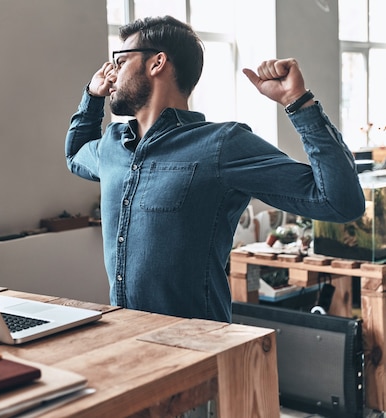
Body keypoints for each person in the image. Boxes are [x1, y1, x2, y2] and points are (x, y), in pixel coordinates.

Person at [64, 16, 365, 322]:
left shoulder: (222, 145)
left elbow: (340, 202)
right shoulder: (112, 146)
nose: (111, 74)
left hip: (199, 348)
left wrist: (298, 102)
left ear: (157, 63)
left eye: (121, 60)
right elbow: (75, 155)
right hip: (126, 338)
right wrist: (91, 97)